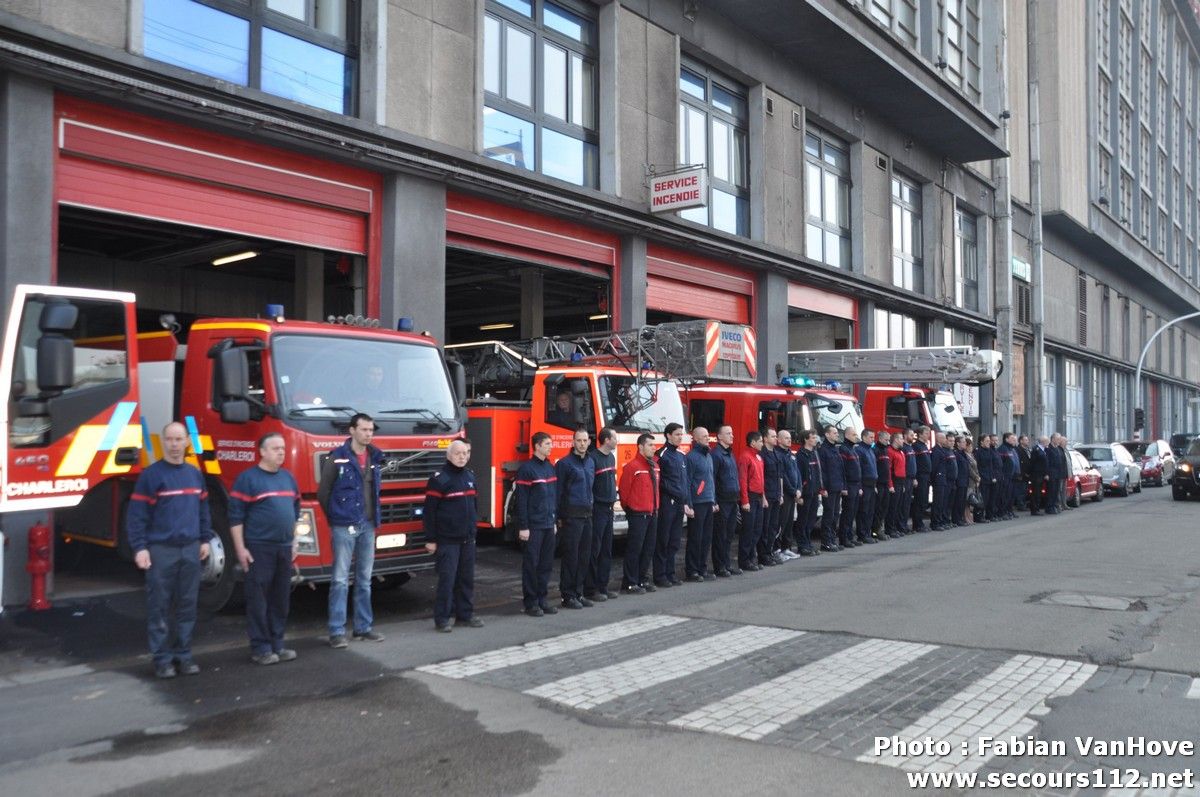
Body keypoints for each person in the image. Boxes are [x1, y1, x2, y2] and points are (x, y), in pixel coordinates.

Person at [127, 422, 213, 679]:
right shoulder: (151, 476)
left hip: (190, 549)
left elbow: (203, 511)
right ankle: (162, 660)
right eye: (170, 440)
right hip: (161, 550)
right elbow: (137, 516)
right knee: (159, 606)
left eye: (179, 439)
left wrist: (205, 539)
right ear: (163, 442)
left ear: (187, 442)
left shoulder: (195, 474)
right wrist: (140, 548)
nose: (175, 444)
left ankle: (183, 656)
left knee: (187, 605)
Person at [230, 432, 301, 665]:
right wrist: (241, 549)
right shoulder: (248, 479)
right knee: (258, 600)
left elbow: (295, 513)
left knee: (281, 599)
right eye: (275, 448)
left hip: (283, 547)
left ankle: (277, 645)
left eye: (282, 448)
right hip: (259, 548)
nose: (281, 452)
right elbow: (235, 517)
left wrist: (295, 541)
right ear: (261, 451)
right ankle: (260, 648)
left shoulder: (288, 479)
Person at [318, 413, 386, 647]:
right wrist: (336, 517)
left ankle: (362, 628)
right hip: (344, 526)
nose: (369, 434)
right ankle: (337, 632)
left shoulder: (376, 457)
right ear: (352, 431)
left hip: (368, 525)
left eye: (371, 430)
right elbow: (323, 492)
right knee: (339, 580)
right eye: (365, 429)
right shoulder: (337, 457)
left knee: (365, 580)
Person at [423, 439, 483, 632]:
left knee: (466, 579)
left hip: (467, 538)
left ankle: (464, 615)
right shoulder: (439, 479)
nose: (462, 457)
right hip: (447, 540)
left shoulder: (470, 476)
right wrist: (431, 539)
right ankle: (442, 618)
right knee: (447, 580)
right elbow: (429, 512)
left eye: (465, 453)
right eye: (458, 453)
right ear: (449, 455)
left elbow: (473, 506)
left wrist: (473, 529)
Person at [516, 431, 559, 616]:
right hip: (534, 526)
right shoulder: (527, 469)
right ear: (538, 446)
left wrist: (554, 520)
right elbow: (522, 500)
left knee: (545, 565)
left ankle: (542, 599)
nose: (551, 447)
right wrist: (523, 526)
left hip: (548, 524)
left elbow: (553, 496)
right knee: (531, 565)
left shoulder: (550, 467)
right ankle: (531, 603)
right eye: (547, 444)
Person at [556, 427, 595, 609]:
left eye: (584, 441)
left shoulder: (590, 462)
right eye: (578, 440)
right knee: (571, 557)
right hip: (571, 516)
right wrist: (559, 517)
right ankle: (568, 595)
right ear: (573, 442)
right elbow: (559, 492)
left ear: (588, 442)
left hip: (587, 515)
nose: (581, 444)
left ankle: (578, 593)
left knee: (584, 556)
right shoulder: (564, 464)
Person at [618, 433, 659, 594]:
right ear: (640, 447)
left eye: (654, 445)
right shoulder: (633, 467)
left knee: (648, 548)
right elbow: (624, 492)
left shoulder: (655, 466)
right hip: (638, 514)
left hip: (652, 512)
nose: (653, 448)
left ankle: (642, 579)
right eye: (650, 445)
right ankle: (630, 582)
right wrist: (631, 508)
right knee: (635, 549)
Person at [654, 422, 693, 587]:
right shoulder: (661, 455)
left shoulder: (681, 455)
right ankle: (660, 575)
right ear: (668, 435)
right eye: (677, 434)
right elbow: (659, 480)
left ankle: (670, 573)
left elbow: (685, 482)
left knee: (675, 540)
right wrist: (673, 493)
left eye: (681, 434)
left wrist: (686, 501)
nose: (680, 437)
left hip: (679, 503)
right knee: (663, 539)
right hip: (667, 502)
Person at [585, 427, 619, 602]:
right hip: (597, 509)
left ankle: (602, 587)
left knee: (606, 549)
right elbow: (589, 485)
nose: (617, 441)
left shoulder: (611, 458)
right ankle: (590, 589)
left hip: (609, 508)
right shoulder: (593, 459)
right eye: (615, 438)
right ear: (607, 440)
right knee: (595, 550)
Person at [684, 426, 717, 581]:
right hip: (697, 503)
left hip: (708, 501)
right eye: (704, 436)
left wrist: (713, 500)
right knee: (695, 538)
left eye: (707, 436)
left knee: (706, 538)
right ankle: (692, 570)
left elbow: (711, 480)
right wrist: (689, 504)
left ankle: (702, 568)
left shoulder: (708, 456)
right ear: (695, 438)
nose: (707, 438)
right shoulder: (691, 457)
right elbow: (688, 482)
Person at [711, 425, 742, 575]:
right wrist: (714, 500)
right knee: (720, 535)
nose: (732, 436)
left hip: (732, 500)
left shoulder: (730, 453)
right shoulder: (716, 454)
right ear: (719, 437)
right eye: (728, 433)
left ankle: (727, 563)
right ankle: (719, 566)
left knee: (729, 535)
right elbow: (713, 479)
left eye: (732, 433)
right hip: (722, 501)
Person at [737, 430, 767, 569]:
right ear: (753, 442)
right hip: (750, 496)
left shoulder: (758, 457)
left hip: (759, 497)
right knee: (748, 530)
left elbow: (761, 480)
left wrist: (764, 497)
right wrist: (745, 500)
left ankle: (751, 557)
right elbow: (742, 480)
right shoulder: (745, 456)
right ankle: (744, 560)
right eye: (760, 441)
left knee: (757, 529)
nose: (762, 443)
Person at [757, 428, 785, 565]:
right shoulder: (762, 455)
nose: (776, 439)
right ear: (765, 438)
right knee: (765, 527)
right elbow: (761, 477)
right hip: (766, 495)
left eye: (776, 436)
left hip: (775, 495)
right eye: (773, 436)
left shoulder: (777, 455)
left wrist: (781, 494)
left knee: (774, 526)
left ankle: (770, 552)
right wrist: (763, 496)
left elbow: (780, 476)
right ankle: (763, 555)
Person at [794, 429, 822, 556]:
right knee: (803, 520)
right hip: (805, 493)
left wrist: (820, 488)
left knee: (811, 520)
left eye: (815, 437)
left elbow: (818, 473)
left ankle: (808, 543)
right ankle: (802, 545)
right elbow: (798, 475)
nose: (815, 439)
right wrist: (799, 492)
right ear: (806, 439)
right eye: (812, 437)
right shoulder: (801, 455)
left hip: (815, 492)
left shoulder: (814, 453)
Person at [817, 425, 845, 552]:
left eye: (836, 433)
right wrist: (823, 488)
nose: (837, 435)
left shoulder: (835, 449)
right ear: (827, 435)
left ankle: (832, 539)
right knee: (828, 516)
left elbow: (840, 469)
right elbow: (822, 471)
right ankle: (826, 542)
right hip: (829, 488)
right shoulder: (823, 450)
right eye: (834, 433)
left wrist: (842, 485)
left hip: (837, 486)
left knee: (835, 515)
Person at [777, 429, 802, 558]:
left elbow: (797, 473)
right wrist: (793, 490)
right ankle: (778, 549)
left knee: (789, 522)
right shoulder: (779, 455)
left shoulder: (791, 454)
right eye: (786, 438)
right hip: (786, 494)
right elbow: (783, 477)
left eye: (790, 437)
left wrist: (799, 489)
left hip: (793, 494)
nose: (789, 440)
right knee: (782, 522)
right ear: (779, 440)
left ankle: (786, 547)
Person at [837, 427, 863, 548]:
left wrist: (860, 486)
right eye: (853, 434)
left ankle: (850, 536)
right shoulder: (844, 449)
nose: (856, 436)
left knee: (853, 512)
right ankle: (844, 538)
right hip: (849, 485)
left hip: (856, 485)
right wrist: (844, 486)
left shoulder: (853, 449)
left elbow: (857, 470)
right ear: (846, 435)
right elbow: (843, 470)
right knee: (847, 513)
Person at [854, 430, 879, 544]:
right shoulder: (859, 450)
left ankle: (868, 533)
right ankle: (862, 534)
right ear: (863, 437)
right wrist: (860, 486)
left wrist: (874, 485)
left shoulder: (870, 450)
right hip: (864, 484)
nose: (873, 439)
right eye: (870, 437)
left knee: (870, 511)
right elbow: (859, 470)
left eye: (873, 437)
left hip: (871, 484)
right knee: (863, 511)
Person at [886, 432, 908, 536]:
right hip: (894, 481)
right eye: (901, 438)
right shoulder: (890, 451)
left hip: (900, 482)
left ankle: (895, 528)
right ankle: (890, 529)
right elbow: (888, 470)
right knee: (892, 507)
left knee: (898, 507)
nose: (903, 440)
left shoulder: (901, 452)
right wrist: (890, 485)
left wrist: (903, 485)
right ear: (895, 440)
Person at [910, 426, 932, 532]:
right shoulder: (916, 446)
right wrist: (915, 477)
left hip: (926, 477)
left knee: (924, 501)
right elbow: (914, 463)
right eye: (926, 433)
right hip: (920, 476)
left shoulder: (924, 446)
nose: (928, 435)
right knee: (919, 501)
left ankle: (920, 523)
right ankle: (917, 524)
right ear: (920, 434)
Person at [975, 435, 996, 523]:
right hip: (983, 478)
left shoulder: (990, 451)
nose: (989, 442)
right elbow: (977, 466)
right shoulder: (978, 452)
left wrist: (993, 476)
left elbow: (992, 465)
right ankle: (979, 517)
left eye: (989, 441)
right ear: (981, 442)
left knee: (990, 498)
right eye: (987, 441)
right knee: (983, 498)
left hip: (990, 478)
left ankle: (989, 515)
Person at [1045, 433, 1068, 514]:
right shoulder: (1048, 449)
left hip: (1058, 474)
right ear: (1053, 439)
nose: (1059, 441)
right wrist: (1047, 473)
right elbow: (1047, 462)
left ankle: (1054, 506)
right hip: (1052, 474)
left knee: (1056, 491)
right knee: (1051, 491)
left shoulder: (1057, 449)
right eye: (1058, 439)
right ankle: (1049, 507)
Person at [1028, 435, 1049, 515]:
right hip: (1036, 475)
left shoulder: (1043, 450)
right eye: (1047, 441)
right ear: (1043, 442)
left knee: (1039, 492)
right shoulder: (1036, 450)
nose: (1048, 443)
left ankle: (1037, 507)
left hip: (1041, 474)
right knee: (1035, 492)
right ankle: (1034, 509)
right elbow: (1033, 463)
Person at [952, 434, 970, 526]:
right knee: (958, 501)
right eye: (963, 442)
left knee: (962, 501)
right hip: (959, 480)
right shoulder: (956, 453)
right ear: (958, 443)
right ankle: (956, 519)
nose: (965, 444)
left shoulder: (963, 453)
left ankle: (960, 518)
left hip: (965, 480)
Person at [964, 437, 981, 524]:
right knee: (968, 500)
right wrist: (976, 477)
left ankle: (970, 517)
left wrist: (978, 477)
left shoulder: (972, 455)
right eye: (969, 446)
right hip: (970, 480)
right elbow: (969, 469)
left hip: (974, 481)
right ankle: (966, 517)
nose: (971, 448)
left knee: (971, 499)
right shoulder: (965, 455)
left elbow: (976, 467)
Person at [1015, 434, 1032, 512]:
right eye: (1025, 440)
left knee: (1025, 490)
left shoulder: (1027, 449)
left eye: (1027, 440)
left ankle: (1023, 503)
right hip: (1022, 474)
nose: (1027, 441)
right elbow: (1019, 463)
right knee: (1020, 490)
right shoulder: (1018, 450)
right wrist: (1023, 473)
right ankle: (1020, 505)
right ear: (1021, 441)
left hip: (1028, 474)